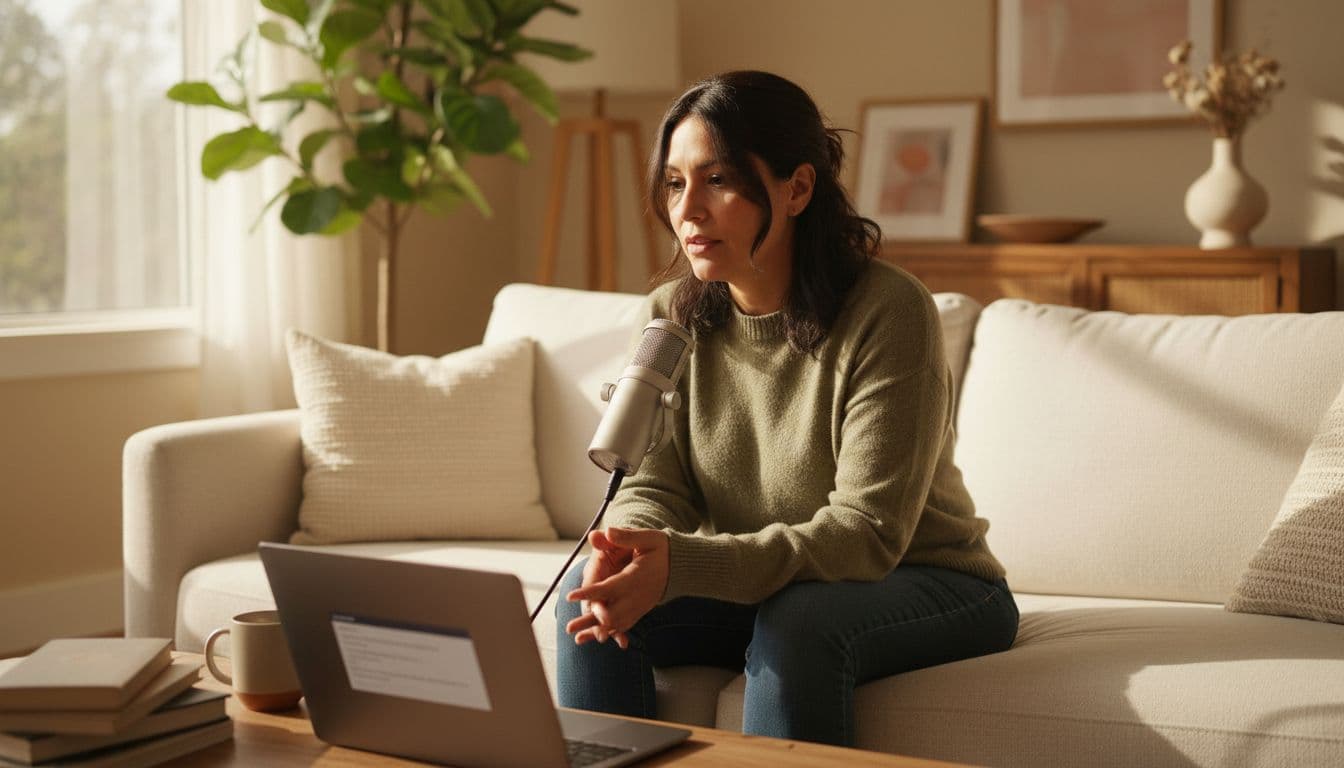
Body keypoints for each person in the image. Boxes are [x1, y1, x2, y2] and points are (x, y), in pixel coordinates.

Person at [555, 70, 1018, 748]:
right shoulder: (669, 316)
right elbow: (654, 483)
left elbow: (865, 534)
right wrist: (626, 547)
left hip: (930, 580)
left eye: (718, 181)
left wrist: (681, 564)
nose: (689, 211)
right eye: (677, 183)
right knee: (588, 599)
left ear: (797, 188)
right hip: (778, 582)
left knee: (800, 622)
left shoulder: (889, 311)